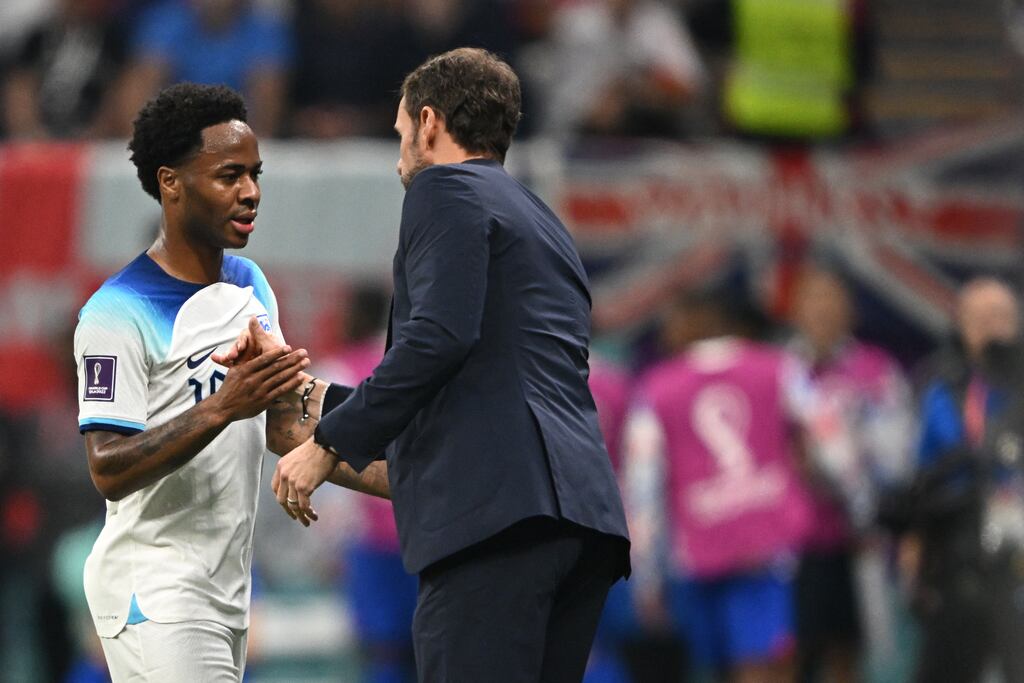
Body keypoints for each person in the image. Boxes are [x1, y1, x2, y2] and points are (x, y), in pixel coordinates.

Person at [229, 47, 631, 682]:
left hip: (495, 526)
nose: (398, 159)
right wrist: (309, 400)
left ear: (429, 122)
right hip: (581, 522)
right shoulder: (544, 222)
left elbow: (439, 337)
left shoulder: (443, 189)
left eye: (399, 136)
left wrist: (327, 444)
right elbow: (483, 387)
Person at [73, 82, 313, 681]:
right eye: (229, 176)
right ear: (170, 183)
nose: (251, 193)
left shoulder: (250, 283)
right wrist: (221, 408)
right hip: (155, 589)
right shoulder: (116, 312)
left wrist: (411, 479)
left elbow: (284, 427)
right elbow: (108, 468)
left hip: (226, 588)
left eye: (255, 174)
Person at [623, 287, 814, 683]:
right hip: (768, 544)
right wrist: (854, 507)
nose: (664, 334)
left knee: (719, 669)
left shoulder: (656, 388)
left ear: (692, 322)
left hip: (696, 553)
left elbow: (642, 488)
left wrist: (646, 574)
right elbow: (831, 441)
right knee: (765, 665)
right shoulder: (778, 367)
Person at [788, 267, 914, 683]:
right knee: (789, 653)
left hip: (855, 536)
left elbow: (899, 452)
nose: (822, 311)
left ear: (849, 312)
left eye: (831, 302)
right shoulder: (780, 372)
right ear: (796, 311)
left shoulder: (875, 370)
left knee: (848, 650)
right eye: (813, 302)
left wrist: (855, 459)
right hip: (791, 542)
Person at [909, 277, 1024, 683]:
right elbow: (920, 477)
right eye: (981, 318)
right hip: (959, 553)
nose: (993, 327)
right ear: (961, 325)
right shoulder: (940, 384)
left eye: (1002, 316)